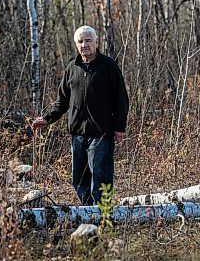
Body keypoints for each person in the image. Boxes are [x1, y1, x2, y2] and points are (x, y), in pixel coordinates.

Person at [32, 25, 129, 205]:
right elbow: (62, 101)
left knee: (100, 175)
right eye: (80, 41)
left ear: (96, 42)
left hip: (101, 134)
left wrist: (120, 128)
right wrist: (47, 118)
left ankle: (103, 214)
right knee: (78, 178)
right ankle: (87, 210)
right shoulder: (72, 68)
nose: (84, 44)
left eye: (88, 40)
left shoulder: (108, 66)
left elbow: (121, 99)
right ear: (76, 44)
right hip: (77, 134)